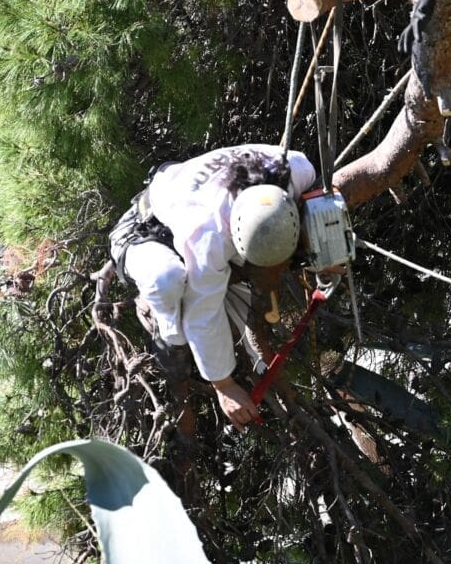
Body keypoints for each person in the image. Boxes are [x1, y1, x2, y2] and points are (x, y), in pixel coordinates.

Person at [109, 144, 317, 430]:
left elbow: (322, 205)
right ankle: (164, 326)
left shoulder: (295, 169)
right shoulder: (207, 235)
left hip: (196, 205)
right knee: (167, 284)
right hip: (145, 232)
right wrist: (224, 386)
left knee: (215, 295)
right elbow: (202, 315)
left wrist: (328, 253)